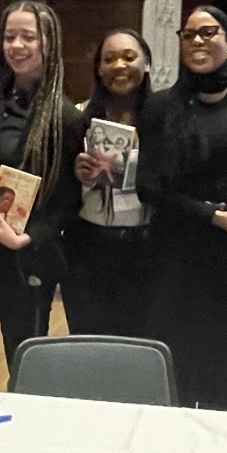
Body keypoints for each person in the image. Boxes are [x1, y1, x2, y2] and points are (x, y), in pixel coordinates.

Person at [137, 6, 227, 408]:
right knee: (176, 384)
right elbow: (148, 187)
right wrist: (213, 216)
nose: (197, 40)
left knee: (220, 387)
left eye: (209, 32)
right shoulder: (162, 107)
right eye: (189, 34)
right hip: (177, 259)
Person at [0, 0, 84, 381]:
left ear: (50, 44)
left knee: (23, 368)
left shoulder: (65, 117)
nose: (17, 45)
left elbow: (70, 202)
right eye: (10, 36)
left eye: (29, 36)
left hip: (27, 264)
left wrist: (28, 238)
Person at [62, 28, 155, 337]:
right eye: (109, 59)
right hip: (87, 245)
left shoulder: (165, 120)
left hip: (145, 246)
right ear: (98, 69)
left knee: (139, 342)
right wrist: (75, 173)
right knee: (88, 338)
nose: (119, 66)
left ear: (147, 64)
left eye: (129, 57)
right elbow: (56, 188)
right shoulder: (77, 118)